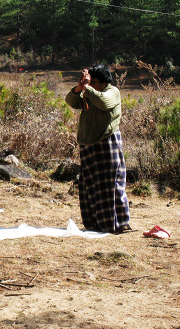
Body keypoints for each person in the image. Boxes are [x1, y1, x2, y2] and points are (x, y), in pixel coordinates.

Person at [65, 64, 131, 234]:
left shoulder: (112, 91)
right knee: (90, 185)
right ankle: (94, 223)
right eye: (89, 81)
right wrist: (79, 88)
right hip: (88, 143)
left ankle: (116, 223)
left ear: (103, 82)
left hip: (106, 142)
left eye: (93, 81)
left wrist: (86, 88)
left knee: (109, 185)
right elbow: (71, 101)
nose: (90, 84)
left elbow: (104, 102)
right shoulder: (89, 92)